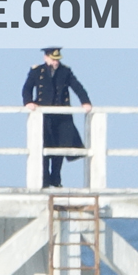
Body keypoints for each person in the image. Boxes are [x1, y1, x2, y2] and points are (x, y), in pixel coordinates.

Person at [23, 46, 92, 188]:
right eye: (53, 59)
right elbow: (27, 88)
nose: (56, 62)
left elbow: (77, 87)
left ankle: (56, 180)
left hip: (61, 116)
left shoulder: (65, 71)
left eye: (57, 60)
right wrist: (28, 102)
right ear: (46, 58)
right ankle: (45, 180)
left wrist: (85, 102)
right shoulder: (37, 71)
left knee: (60, 148)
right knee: (44, 147)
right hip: (44, 116)